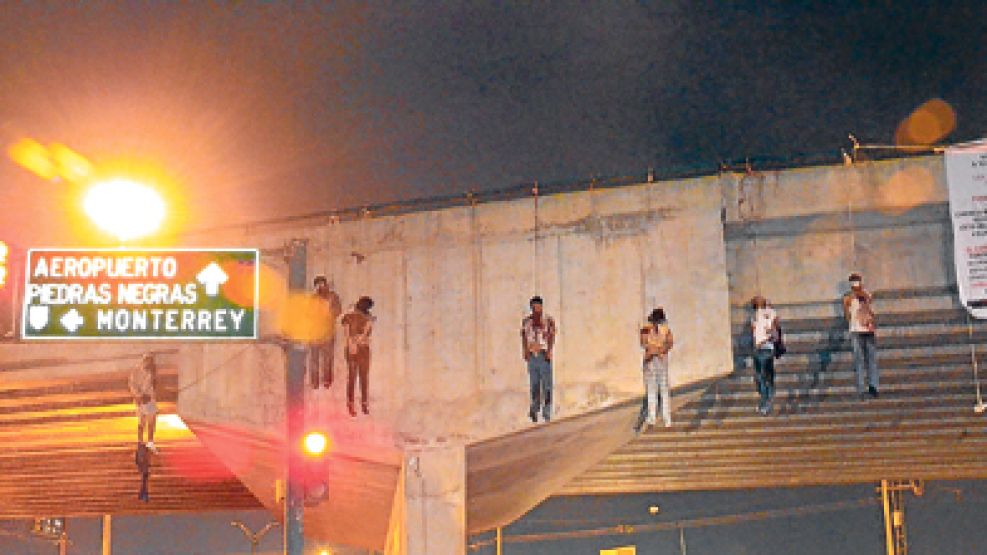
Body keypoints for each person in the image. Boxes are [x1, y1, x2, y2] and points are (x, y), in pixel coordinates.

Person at [636, 308, 674, 431]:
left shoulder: (665, 330)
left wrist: (658, 349)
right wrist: (655, 349)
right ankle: (652, 418)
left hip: (660, 360)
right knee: (652, 390)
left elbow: (669, 343)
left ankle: (667, 418)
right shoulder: (646, 329)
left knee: (663, 390)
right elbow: (643, 343)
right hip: (651, 360)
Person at [521, 296, 556, 422]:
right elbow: (524, 336)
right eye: (534, 307)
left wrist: (549, 351)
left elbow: (551, 336)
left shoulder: (548, 320)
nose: (536, 309)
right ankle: (534, 410)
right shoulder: (527, 322)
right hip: (532, 356)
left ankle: (547, 413)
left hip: (543, 353)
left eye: (538, 306)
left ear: (541, 306)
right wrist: (525, 351)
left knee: (547, 385)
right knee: (534, 385)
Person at [843, 273, 879, 398]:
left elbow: (870, 301)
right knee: (858, 359)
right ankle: (861, 387)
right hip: (855, 330)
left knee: (871, 358)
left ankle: (873, 386)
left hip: (868, 329)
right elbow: (847, 314)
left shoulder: (866, 294)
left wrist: (860, 293)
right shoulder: (848, 297)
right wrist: (848, 304)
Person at [342, 296, 375, 416]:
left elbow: (365, 334)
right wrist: (353, 344)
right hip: (356, 348)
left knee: (361, 377)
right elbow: (347, 334)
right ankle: (353, 404)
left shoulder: (367, 318)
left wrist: (355, 342)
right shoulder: (351, 317)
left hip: (362, 349)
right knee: (354, 377)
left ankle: (362, 404)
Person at [309, 275, 342, 389]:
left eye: (322, 283)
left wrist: (328, 313)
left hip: (328, 331)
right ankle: (314, 382)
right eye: (317, 284)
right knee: (314, 358)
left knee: (327, 358)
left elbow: (338, 311)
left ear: (326, 284)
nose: (320, 286)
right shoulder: (313, 298)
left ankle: (327, 380)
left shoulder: (333, 296)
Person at [751, 296, 780, 416]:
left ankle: (766, 403)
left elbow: (775, 333)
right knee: (760, 377)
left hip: (766, 349)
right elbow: (754, 332)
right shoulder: (754, 316)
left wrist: (767, 336)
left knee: (764, 377)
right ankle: (765, 401)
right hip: (758, 349)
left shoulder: (770, 314)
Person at [128, 353, 159, 453]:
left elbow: (154, 385)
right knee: (142, 422)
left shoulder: (152, 371)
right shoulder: (136, 372)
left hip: (150, 400)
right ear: (144, 361)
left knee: (151, 421)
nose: (150, 363)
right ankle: (140, 443)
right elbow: (132, 385)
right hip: (141, 400)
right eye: (148, 360)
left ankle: (149, 442)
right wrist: (140, 396)